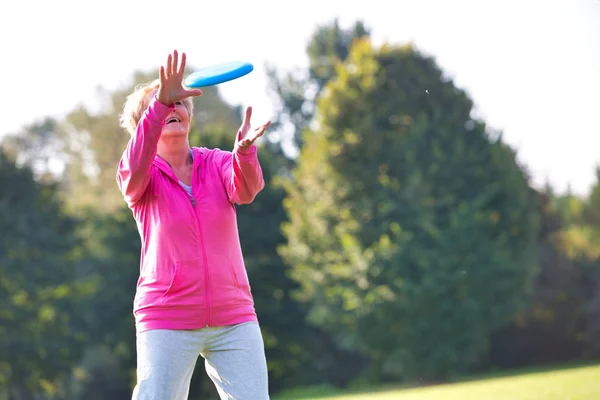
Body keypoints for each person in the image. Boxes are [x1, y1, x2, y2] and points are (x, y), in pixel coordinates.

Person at [116, 49, 271, 400]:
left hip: (233, 316)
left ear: (189, 116)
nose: (173, 108)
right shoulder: (139, 172)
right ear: (146, 122)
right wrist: (160, 104)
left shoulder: (215, 162)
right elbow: (134, 166)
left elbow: (246, 190)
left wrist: (244, 153)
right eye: (162, 104)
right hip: (166, 317)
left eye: (179, 104)